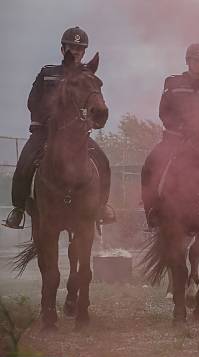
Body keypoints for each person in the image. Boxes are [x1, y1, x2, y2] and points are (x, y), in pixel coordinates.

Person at [4, 26, 114, 229]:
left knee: (103, 161)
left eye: (80, 49)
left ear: (84, 52)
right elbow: (32, 101)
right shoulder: (47, 73)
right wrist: (48, 116)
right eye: (72, 48)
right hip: (45, 132)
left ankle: (101, 207)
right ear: (63, 49)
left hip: (76, 134)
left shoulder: (86, 75)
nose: (76, 52)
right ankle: (18, 209)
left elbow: (91, 102)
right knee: (24, 163)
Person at [141, 43, 199, 228]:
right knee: (150, 165)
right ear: (188, 61)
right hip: (174, 140)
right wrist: (181, 127)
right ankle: (152, 210)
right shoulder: (172, 82)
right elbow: (164, 111)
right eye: (196, 60)